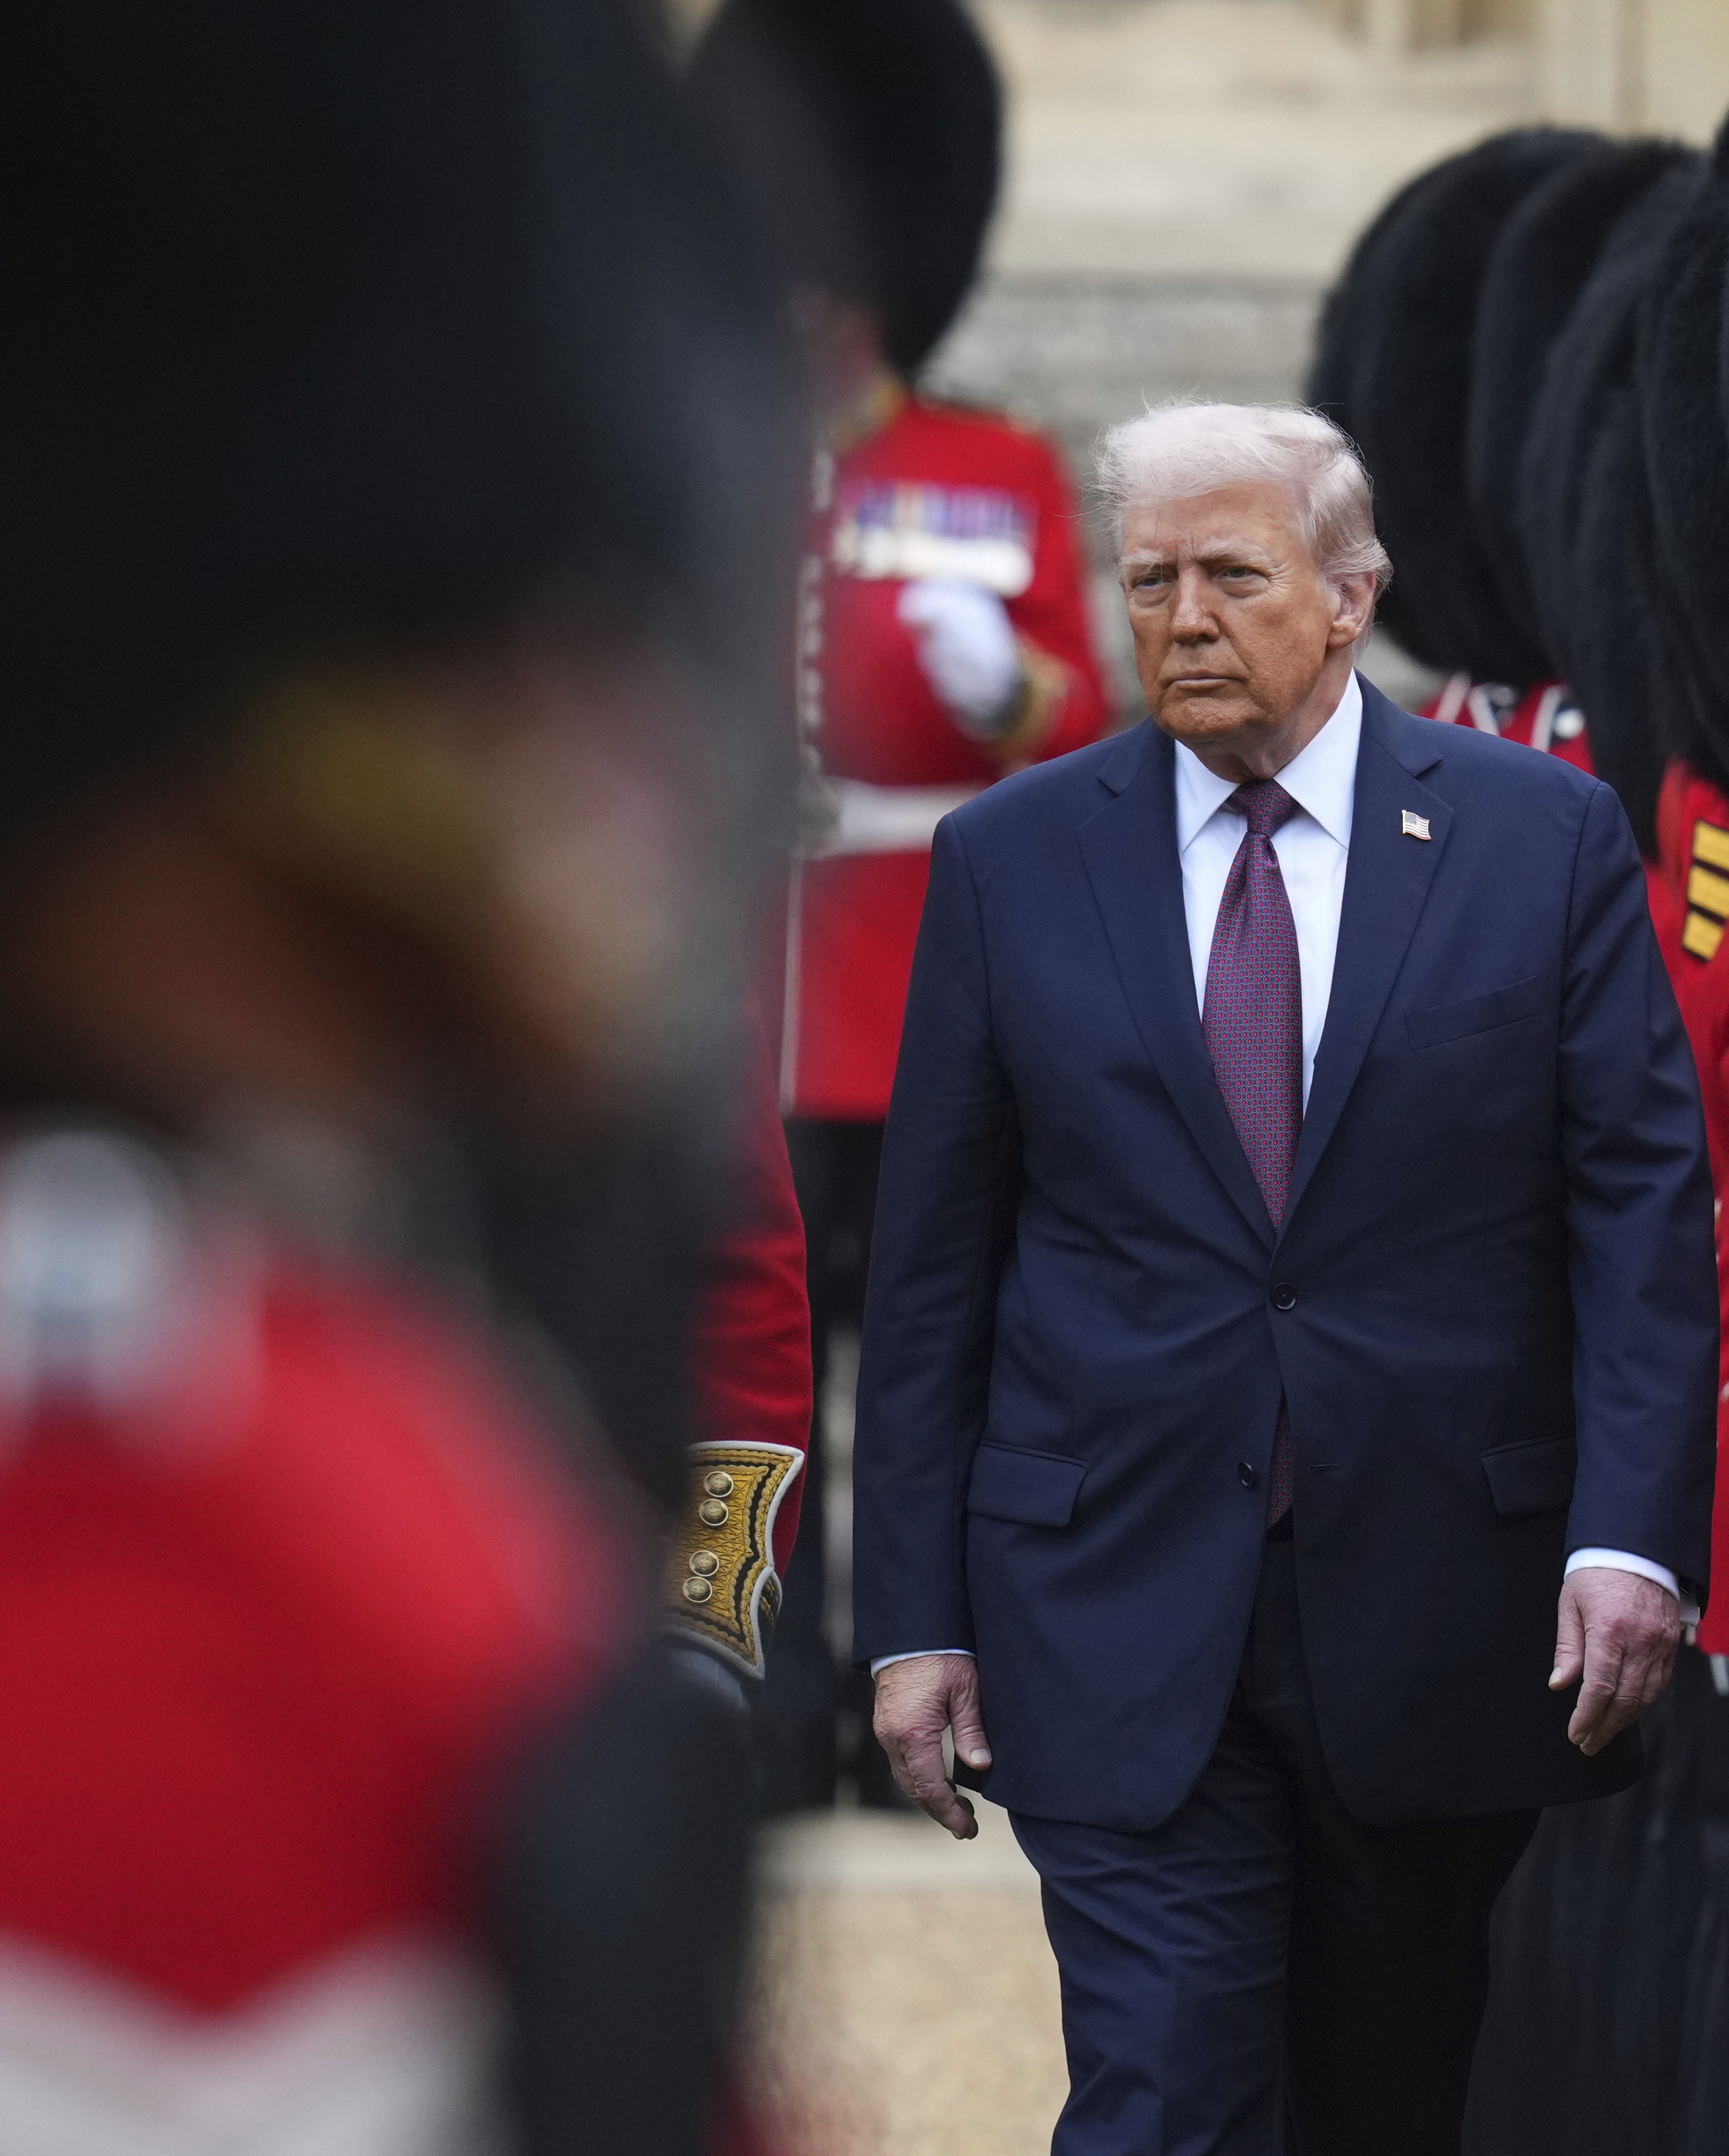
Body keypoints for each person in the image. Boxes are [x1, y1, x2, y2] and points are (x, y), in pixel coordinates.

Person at [854, 398, 1713, 2156]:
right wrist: (911, 1613)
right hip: (1115, 1611)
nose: (1181, 624)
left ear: (1351, 594)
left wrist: (1630, 1538)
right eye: (1147, 584)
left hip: (1435, 1610)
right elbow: (934, 1271)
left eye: (1228, 579)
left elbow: (1637, 1210)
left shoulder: (1535, 844)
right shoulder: (1022, 862)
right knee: (1155, 2118)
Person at [690, 0, 1106, 1806]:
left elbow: (1083, 719)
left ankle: (904, 1693)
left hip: (914, 974)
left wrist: (992, 676)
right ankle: (758, 1698)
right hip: (750, 967)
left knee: (918, 1377)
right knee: (754, 1367)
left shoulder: (992, 470)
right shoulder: (708, 454)